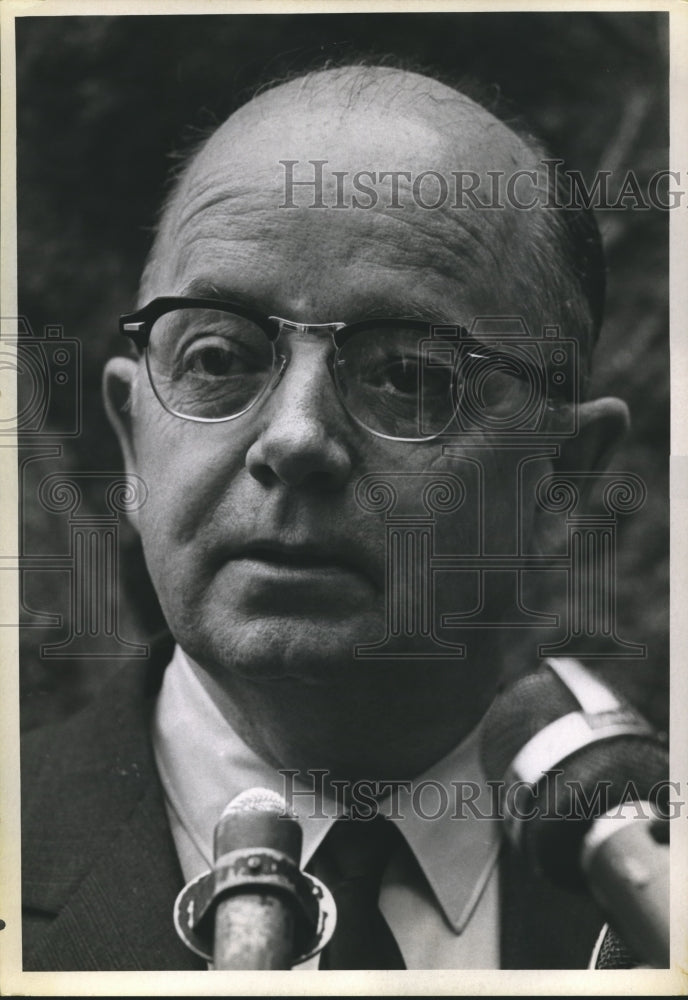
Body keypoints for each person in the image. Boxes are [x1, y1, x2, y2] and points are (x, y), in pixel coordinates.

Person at [21, 63, 637, 971]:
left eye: (409, 376)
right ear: (130, 435)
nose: (297, 438)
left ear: (561, 482)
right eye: (219, 354)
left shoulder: (652, 889)